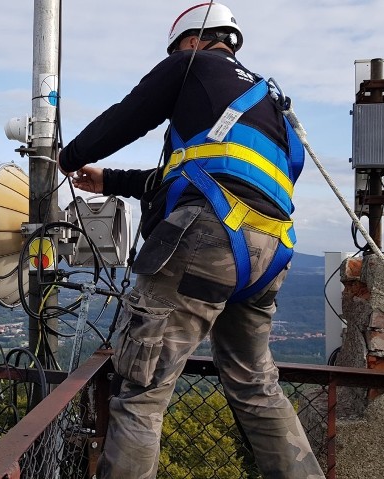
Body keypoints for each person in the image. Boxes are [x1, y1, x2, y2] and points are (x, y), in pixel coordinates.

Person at [58, 3, 325, 478]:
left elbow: (128, 116)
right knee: (256, 385)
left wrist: (69, 156)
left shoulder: (190, 64)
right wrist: (111, 180)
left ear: (190, 41)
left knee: (142, 391)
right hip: (270, 247)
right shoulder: (270, 102)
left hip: (207, 236)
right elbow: (208, 173)